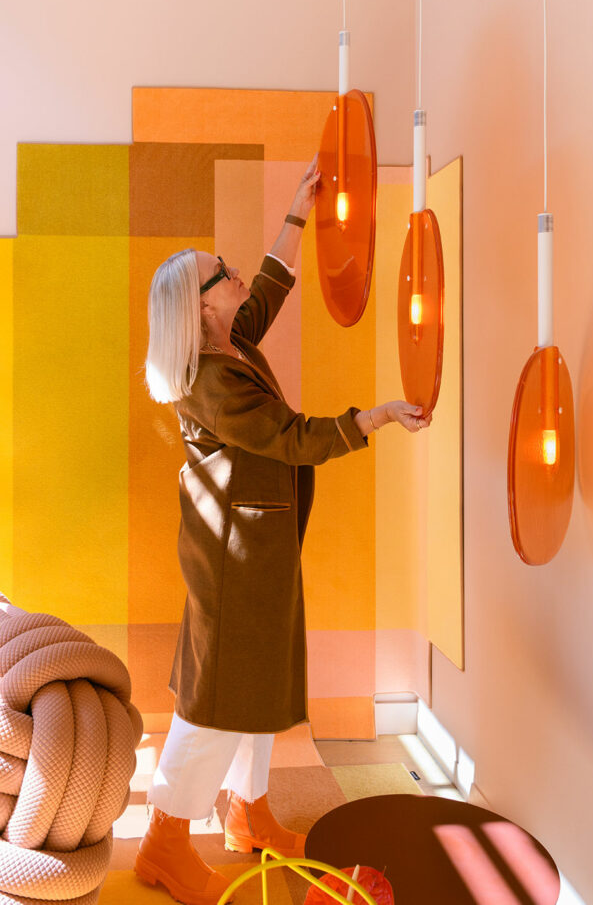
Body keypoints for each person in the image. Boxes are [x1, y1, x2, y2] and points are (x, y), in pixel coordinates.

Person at [134, 159, 429, 905]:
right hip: (232, 561)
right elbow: (293, 436)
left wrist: (298, 213)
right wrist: (377, 417)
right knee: (215, 702)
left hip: (261, 548)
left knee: (258, 687)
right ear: (199, 311)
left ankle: (249, 813)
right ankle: (165, 840)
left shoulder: (231, 340)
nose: (233, 274)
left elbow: (267, 287)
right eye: (219, 274)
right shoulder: (211, 378)